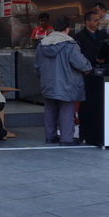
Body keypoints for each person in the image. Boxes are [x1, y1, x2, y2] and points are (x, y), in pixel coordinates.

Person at [34, 16, 92, 145]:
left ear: (54, 29)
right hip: (67, 84)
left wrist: (44, 78)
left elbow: (36, 66)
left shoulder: (42, 44)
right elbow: (81, 63)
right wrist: (88, 67)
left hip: (47, 83)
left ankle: (50, 137)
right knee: (66, 111)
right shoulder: (70, 44)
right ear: (67, 29)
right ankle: (66, 139)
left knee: (50, 111)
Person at [73, 10, 109, 144]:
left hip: (102, 75)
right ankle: (86, 133)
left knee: (100, 103)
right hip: (86, 75)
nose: (97, 23)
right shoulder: (79, 37)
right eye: (95, 20)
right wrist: (92, 60)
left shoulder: (103, 35)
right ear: (87, 22)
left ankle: (100, 130)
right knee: (86, 105)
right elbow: (76, 58)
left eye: (98, 20)